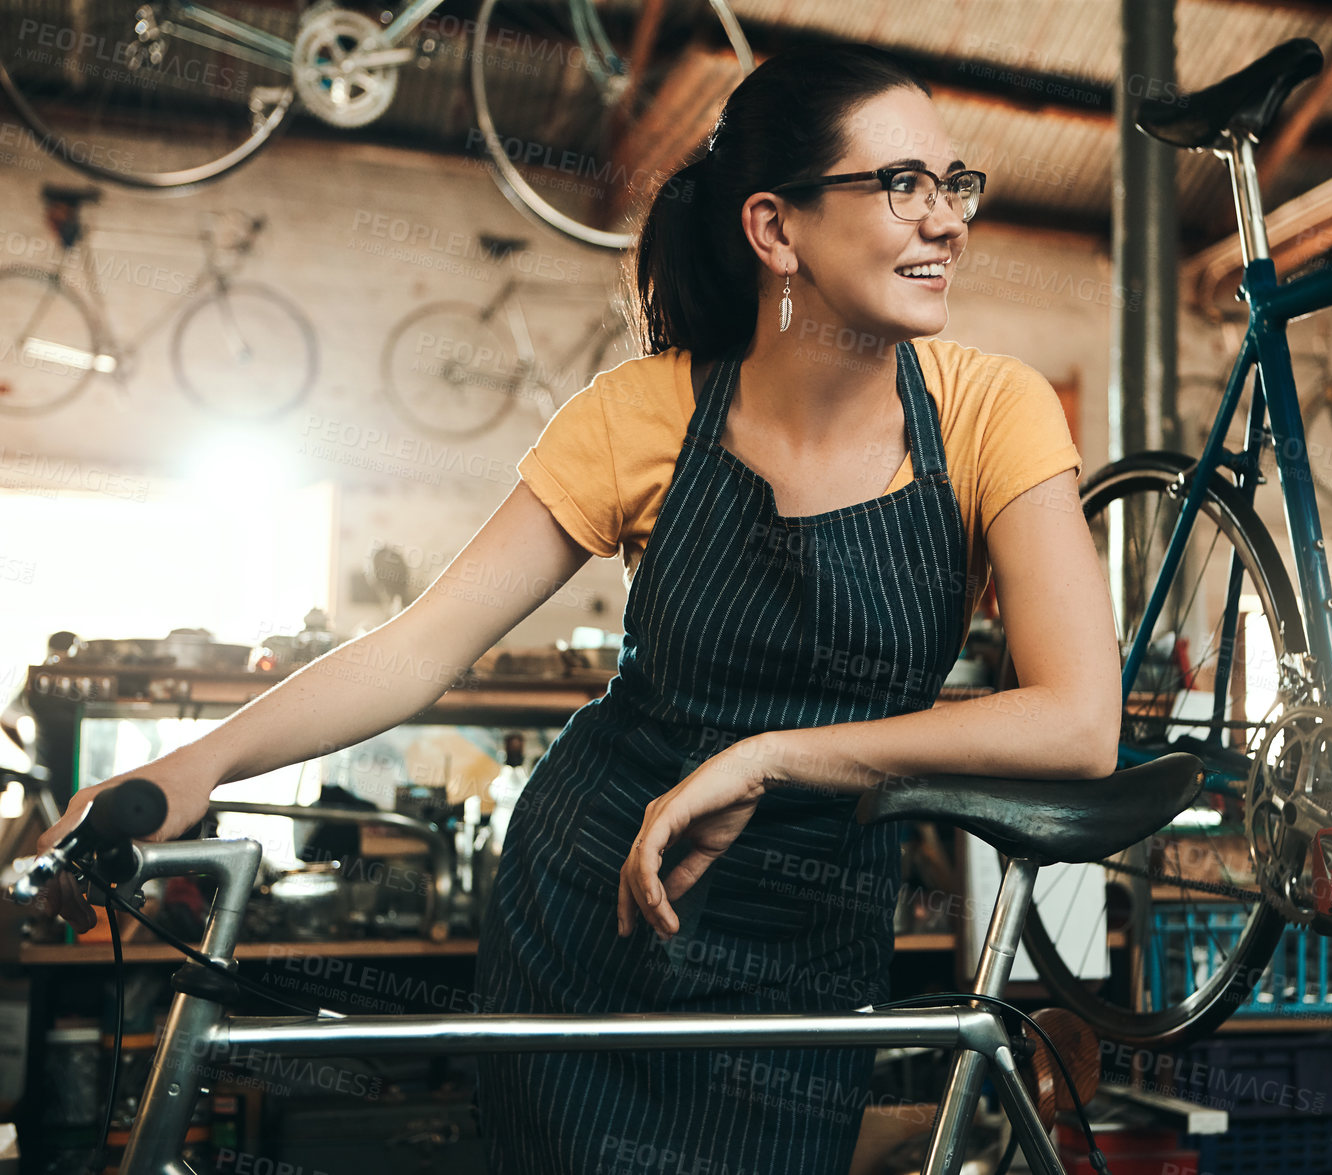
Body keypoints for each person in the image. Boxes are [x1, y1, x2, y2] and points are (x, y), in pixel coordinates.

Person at [36, 43, 1123, 1174]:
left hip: (808, 936)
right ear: (775, 229)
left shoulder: (991, 413)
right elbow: (419, 648)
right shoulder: (636, 415)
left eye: (954, 184)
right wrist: (197, 766)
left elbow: (1075, 721)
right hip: (585, 908)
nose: (945, 218)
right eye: (900, 184)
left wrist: (771, 756)